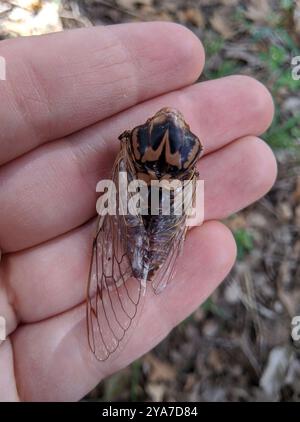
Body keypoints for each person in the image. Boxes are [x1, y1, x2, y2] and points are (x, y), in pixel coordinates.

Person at [0, 22, 277, 401]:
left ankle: (145, 261)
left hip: (130, 206)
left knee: (120, 231)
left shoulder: (129, 150)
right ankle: (151, 261)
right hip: (158, 211)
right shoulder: (181, 167)